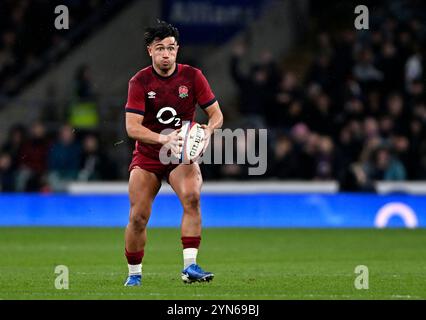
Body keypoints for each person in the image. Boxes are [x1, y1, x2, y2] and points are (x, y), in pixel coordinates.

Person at [123, 20, 223, 286]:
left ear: (177, 49)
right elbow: (132, 128)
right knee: (138, 218)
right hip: (148, 155)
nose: (166, 54)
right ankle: (134, 274)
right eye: (160, 49)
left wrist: (207, 131)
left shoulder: (192, 76)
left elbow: (216, 115)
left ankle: (190, 267)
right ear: (150, 51)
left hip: (181, 154)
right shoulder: (140, 81)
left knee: (192, 198)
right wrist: (163, 140)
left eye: (170, 48)